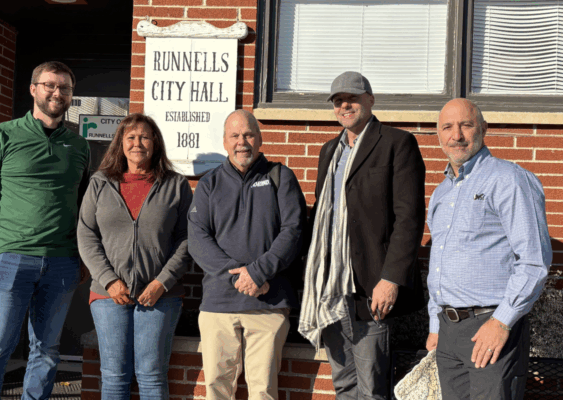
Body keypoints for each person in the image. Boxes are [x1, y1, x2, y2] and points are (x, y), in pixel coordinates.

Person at [299, 71, 426, 400]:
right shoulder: (330, 151)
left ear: (370, 99)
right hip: (331, 291)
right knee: (343, 385)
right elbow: (323, 218)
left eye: (352, 98)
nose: (345, 105)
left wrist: (391, 278)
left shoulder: (397, 144)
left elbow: (409, 218)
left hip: (370, 289)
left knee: (372, 388)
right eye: (338, 101)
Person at [0, 61, 91, 399]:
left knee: (47, 351)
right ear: (33, 89)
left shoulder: (78, 146)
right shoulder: (0, 135)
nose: (57, 92)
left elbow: (83, 206)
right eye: (50, 85)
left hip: (62, 262)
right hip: (10, 259)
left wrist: (81, 256)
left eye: (64, 87)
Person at [425, 98, 552, 400]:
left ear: (483, 129)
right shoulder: (442, 193)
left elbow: (534, 261)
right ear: (438, 135)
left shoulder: (508, 180)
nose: (456, 135)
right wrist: (434, 324)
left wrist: (502, 321)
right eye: (447, 127)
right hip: (447, 332)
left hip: (490, 328)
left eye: (466, 125)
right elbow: (439, 264)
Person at [188, 109, 307, 400]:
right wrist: (242, 277)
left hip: (268, 304)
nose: (242, 142)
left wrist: (258, 273)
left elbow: (293, 232)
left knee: (263, 391)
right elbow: (197, 240)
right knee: (217, 389)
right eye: (235, 136)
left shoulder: (281, 177)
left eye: (249, 134)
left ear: (260, 138)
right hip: (218, 305)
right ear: (225, 141)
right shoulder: (208, 184)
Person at [77, 113, 192, 399]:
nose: (137, 143)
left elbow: (187, 239)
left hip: (160, 296)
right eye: (130, 137)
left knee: (151, 376)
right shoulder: (100, 183)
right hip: (108, 295)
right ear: (120, 143)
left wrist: (161, 282)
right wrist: (109, 280)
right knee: (114, 376)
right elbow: (86, 235)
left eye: (144, 137)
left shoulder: (175, 185)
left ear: (155, 143)